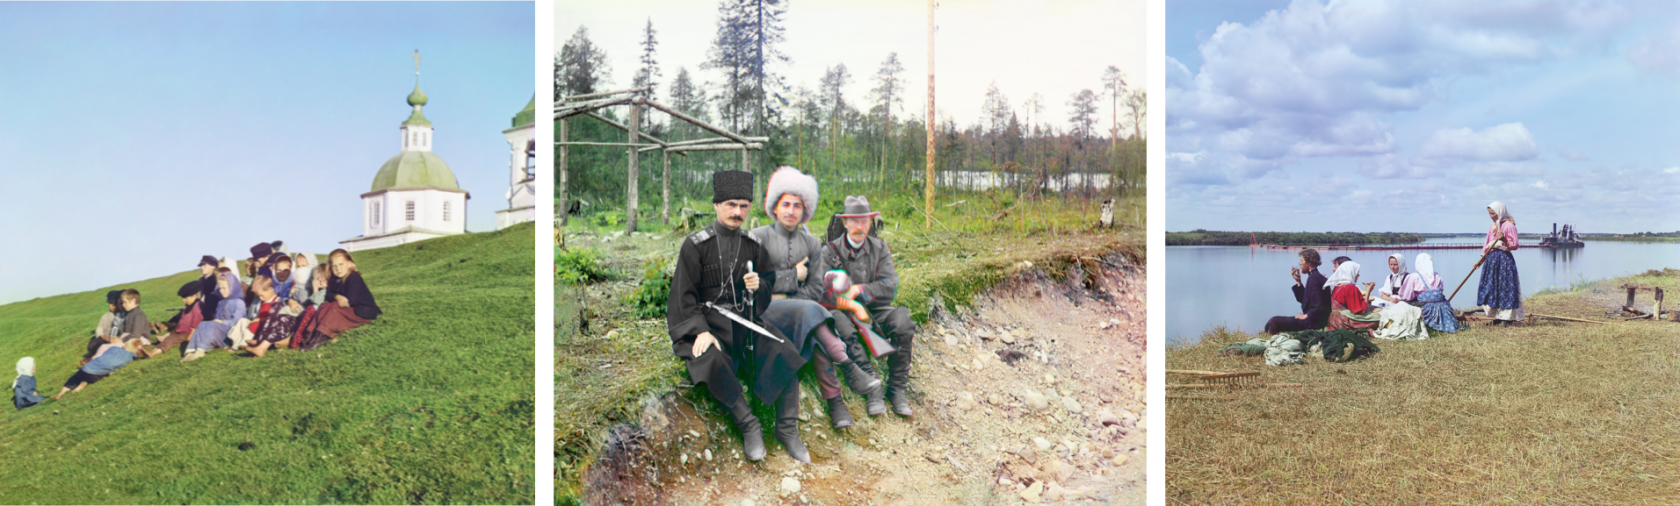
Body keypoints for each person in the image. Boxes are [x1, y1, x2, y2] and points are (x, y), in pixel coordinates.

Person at [667, 170, 809, 463]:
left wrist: (760, 287)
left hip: (744, 323)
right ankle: (748, 424)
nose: (737, 212)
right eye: (731, 204)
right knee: (709, 358)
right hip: (707, 326)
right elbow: (684, 297)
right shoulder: (695, 245)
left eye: (744, 205)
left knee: (784, 349)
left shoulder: (752, 245)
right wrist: (700, 331)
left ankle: (786, 428)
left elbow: (766, 287)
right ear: (716, 204)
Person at [749, 167, 883, 429]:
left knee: (813, 327)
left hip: (802, 313)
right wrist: (790, 276)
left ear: (804, 210)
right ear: (774, 207)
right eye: (785, 204)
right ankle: (846, 370)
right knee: (814, 317)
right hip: (766, 313)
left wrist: (788, 296)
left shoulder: (811, 244)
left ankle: (836, 404)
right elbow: (754, 285)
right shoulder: (758, 238)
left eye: (797, 205)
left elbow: (815, 289)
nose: (790, 210)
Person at [800, 195, 918, 417]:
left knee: (903, 322)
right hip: (842, 309)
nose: (859, 227)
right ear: (844, 223)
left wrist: (860, 291)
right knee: (840, 324)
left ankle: (897, 389)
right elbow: (820, 294)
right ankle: (872, 385)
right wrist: (852, 306)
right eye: (854, 221)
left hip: (877, 310)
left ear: (870, 224)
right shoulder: (828, 252)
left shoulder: (880, 248)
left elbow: (890, 286)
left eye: (864, 222)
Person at [294, 249, 380, 351]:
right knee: (325, 305)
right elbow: (328, 296)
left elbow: (350, 301)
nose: (338, 268)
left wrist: (336, 299)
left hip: (362, 310)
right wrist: (337, 297)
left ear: (349, 264)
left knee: (335, 307)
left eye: (341, 264)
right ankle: (310, 334)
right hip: (347, 306)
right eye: (334, 266)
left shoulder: (353, 278)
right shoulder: (334, 279)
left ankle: (321, 335)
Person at [1476, 202, 1525, 326]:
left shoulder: (1509, 226)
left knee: (1505, 288)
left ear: (1500, 212)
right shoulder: (1492, 226)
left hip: (1504, 260)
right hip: (1491, 259)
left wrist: (1503, 239)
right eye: (1490, 214)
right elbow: (1486, 244)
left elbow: (1514, 245)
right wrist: (1481, 260)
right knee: (1491, 288)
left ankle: (1507, 318)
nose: (1491, 216)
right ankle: (1495, 316)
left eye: (1493, 213)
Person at [183, 270, 246, 362]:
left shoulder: (239, 302)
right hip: (219, 328)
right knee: (202, 324)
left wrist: (221, 322)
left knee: (212, 325)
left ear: (232, 287)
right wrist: (216, 321)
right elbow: (217, 317)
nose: (221, 291)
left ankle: (200, 351)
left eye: (224, 288)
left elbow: (238, 321)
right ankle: (190, 351)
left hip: (230, 333)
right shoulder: (221, 302)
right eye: (220, 288)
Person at [1264, 249, 1331, 334]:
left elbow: (1319, 304)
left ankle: (1271, 341)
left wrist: (1306, 316)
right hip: (1315, 321)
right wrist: (1298, 281)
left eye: (1301, 260)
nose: (1299, 263)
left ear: (1309, 262)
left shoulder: (1314, 278)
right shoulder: (1315, 276)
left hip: (1314, 323)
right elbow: (1304, 300)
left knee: (1273, 321)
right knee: (1274, 321)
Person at [53, 339, 143, 400]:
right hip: (97, 374)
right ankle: (84, 383)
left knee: (74, 378)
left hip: (86, 368)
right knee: (105, 372)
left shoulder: (114, 348)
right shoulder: (132, 357)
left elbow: (103, 356)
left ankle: (61, 393)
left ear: (126, 344)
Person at [242, 276, 298, 358]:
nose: (260, 298)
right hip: (277, 328)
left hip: (285, 327)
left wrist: (291, 301)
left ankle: (261, 344)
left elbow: (286, 303)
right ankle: (260, 343)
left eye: (262, 295)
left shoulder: (279, 300)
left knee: (275, 307)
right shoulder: (267, 301)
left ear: (270, 290)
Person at [146, 280, 206, 357]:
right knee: (170, 338)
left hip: (188, 332)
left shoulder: (198, 307)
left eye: (185, 298)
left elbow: (196, 324)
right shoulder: (187, 306)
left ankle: (154, 352)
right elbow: (183, 320)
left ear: (194, 296)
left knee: (171, 340)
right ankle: (154, 349)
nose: (183, 300)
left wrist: (190, 337)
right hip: (181, 331)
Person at [1324, 261, 1380, 334]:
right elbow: (1361, 311)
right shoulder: (1350, 288)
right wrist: (1368, 291)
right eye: (1357, 272)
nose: (1358, 275)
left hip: (1334, 320)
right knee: (1378, 318)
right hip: (1345, 322)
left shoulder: (1337, 287)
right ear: (1350, 272)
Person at [1412, 253, 1462, 333]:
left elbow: (1406, 296)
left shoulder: (1414, 277)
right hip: (1443, 308)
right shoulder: (1438, 276)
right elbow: (1441, 291)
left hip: (1425, 309)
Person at [195, 255, 224, 320]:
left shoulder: (215, 280)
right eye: (201, 266)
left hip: (209, 309)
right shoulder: (200, 280)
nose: (202, 268)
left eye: (205, 265)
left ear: (213, 267)